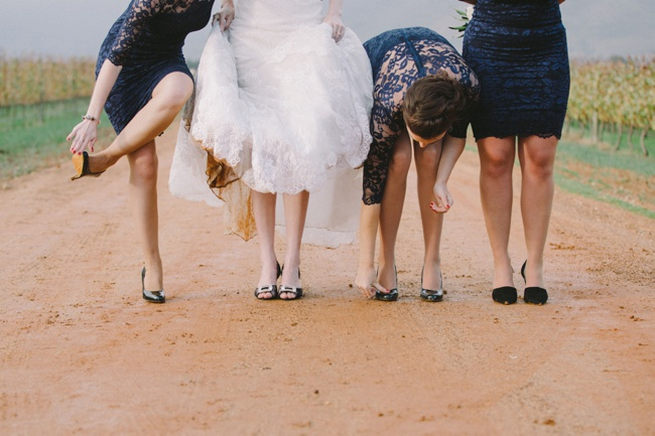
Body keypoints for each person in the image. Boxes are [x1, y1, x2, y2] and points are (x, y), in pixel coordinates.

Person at [169, 0, 373, 300]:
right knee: (260, 143)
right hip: (251, 33)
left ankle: (292, 262)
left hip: (303, 26)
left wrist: (334, 13)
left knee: (299, 143)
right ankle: (267, 260)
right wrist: (226, 3)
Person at [66, 0, 217, 303]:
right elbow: (115, 57)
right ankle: (152, 264)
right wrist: (91, 118)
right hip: (125, 70)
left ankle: (107, 158)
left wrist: (228, 6)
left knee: (179, 88)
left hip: (165, 62)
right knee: (145, 163)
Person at [355, 27, 479, 302]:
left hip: (434, 71)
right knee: (398, 160)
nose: (421, 144)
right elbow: (371, 189)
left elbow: (458, 136)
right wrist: (365, 265)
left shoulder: (465, 86)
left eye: (430, 138)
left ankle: (432, 259)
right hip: (384, 64)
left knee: (431, 157)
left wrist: (441, 181)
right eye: (417, 138)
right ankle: (386, 261)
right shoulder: (388, 105)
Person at [460, 0, 569, 305]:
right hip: (489, 42)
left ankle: (534, 265)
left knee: (540, 157)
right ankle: (501, 264)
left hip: (545, 42)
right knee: (496, 158)